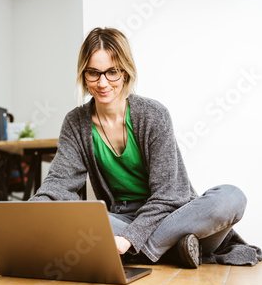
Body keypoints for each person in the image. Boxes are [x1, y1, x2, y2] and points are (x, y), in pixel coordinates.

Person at [30, 27, 261, 268]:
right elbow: (58, 186)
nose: (102, 82)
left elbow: (170, 196)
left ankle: (139, 252)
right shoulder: (76, 122)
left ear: (126, 73)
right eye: (93, 73)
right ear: (83, 74)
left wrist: (130, 238)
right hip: (122, 220)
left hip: (175, 217)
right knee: (68, 213)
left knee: (231, 197)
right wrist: (29, 214)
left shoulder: (153, 115)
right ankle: (175, 251)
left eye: (112, 72)